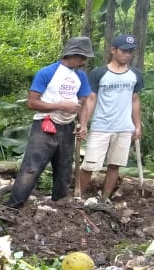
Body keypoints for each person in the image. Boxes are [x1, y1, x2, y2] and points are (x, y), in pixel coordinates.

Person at [5, 37, 94, 208]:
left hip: (67, 127)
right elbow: (32, 103)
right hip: (44, 126)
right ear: (71, 54)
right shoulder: (47, 73)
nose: (84, 61)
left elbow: (82, 103)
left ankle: (59, 206)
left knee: (64, 170)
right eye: (82, 57)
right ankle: (13, 207)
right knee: (32, 167)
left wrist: (83, 125)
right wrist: (60, 106)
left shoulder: (81, 76)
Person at [76, 33, 143, 201]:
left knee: (115, 165)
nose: (127, 54)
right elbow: (91, 99)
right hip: (101, 126)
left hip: (124, 128)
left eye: (130, 51)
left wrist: (137, 125)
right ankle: (77, 198)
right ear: (114, 50)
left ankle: (105, 199)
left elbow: (135, 100)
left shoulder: (134, 74)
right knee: (89, 165)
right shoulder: (99, 73)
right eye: (124, 51)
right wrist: (84, 124)